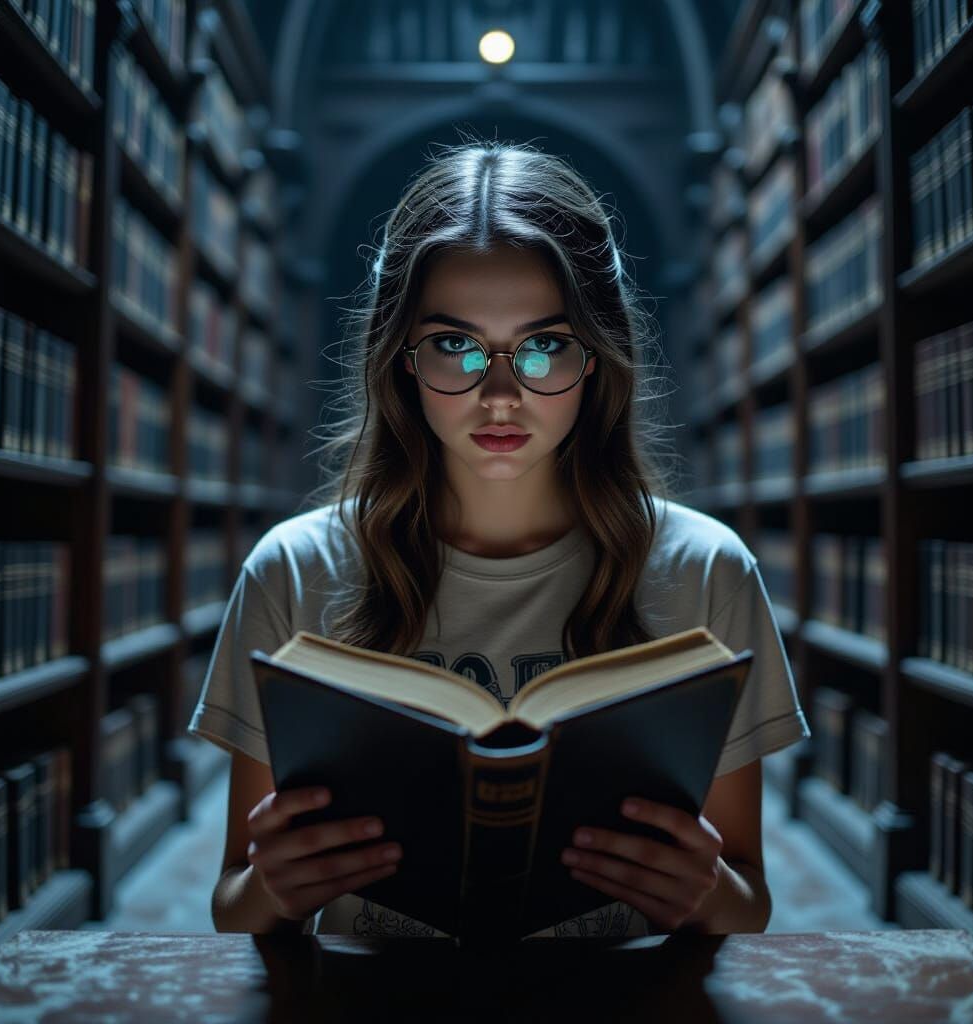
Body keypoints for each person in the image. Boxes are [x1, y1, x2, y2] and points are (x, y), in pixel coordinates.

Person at [188, 139, 810, 940]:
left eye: (546, 345)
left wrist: (705, 889)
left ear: (597, 359)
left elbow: (749, 906)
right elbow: (233, 908)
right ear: (401, 359)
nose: (502, 397)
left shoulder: (705, 569)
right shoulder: (295, 569)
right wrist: (273, 887)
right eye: (456, 346)